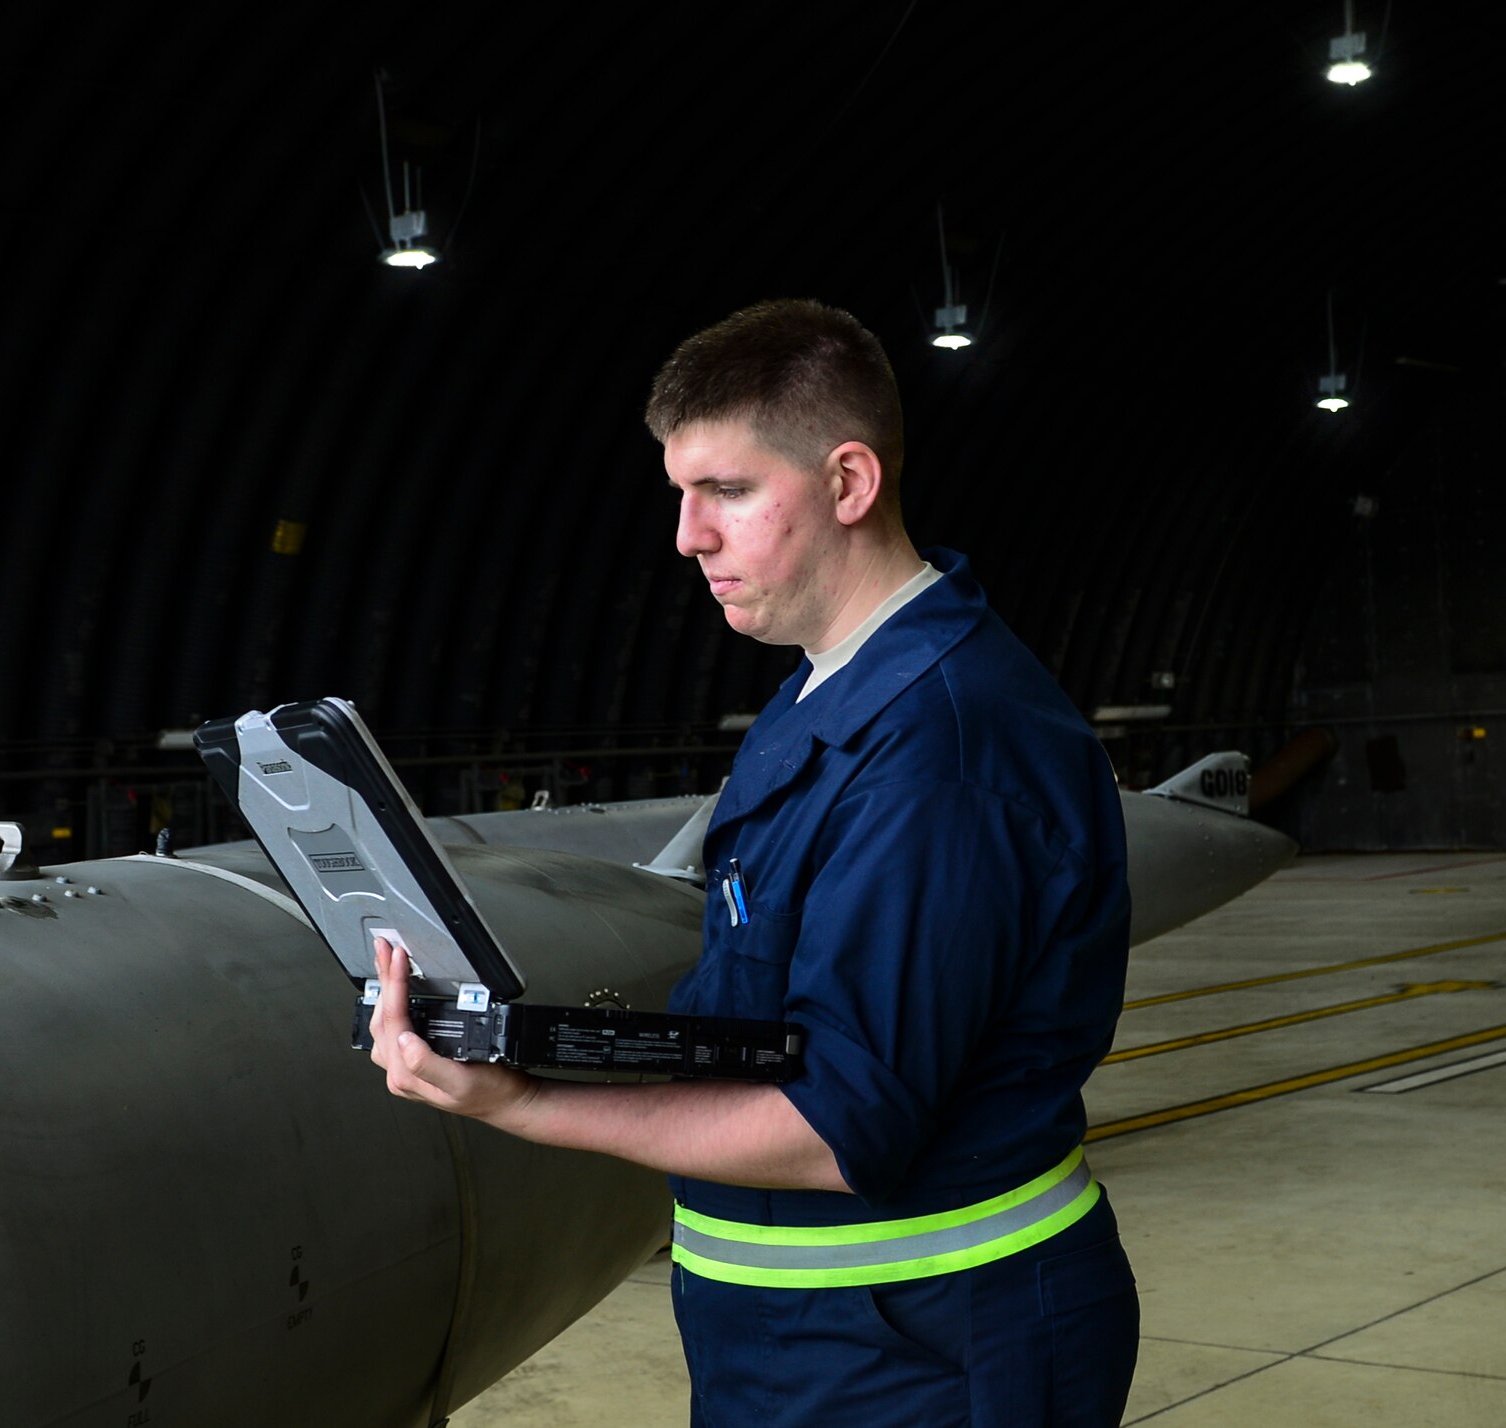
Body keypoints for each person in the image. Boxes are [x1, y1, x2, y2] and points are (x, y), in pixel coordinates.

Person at [368, 298, 1138, 1426]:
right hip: (801, 1337)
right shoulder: (820, 693)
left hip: (923, 1349)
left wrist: (525, 1102)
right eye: (679, 493)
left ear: (847, 483)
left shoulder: (941, 749)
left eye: (725, 491)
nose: (686, 535)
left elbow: (836, 1127)